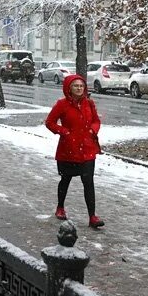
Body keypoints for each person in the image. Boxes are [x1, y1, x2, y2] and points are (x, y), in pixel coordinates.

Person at [44, 74, 105, 229]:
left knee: (88, 183)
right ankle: (60, 207)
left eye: (81, 86)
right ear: (69, 88)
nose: (79, 88)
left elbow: (96, 121)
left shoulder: (89, 104)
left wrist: (93, 130)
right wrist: (64, 132)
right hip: (68, 150)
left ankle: (92, 216)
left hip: (87, 149)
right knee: (66, 180)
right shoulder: (62, 104)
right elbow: (50, 122)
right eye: (76, 86)